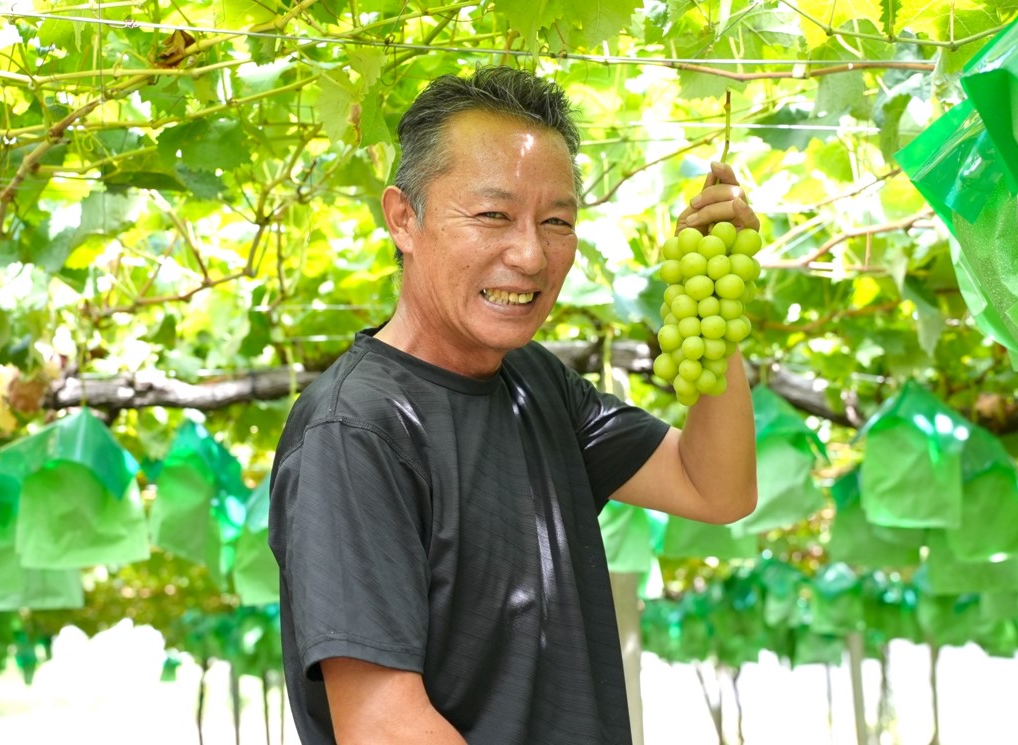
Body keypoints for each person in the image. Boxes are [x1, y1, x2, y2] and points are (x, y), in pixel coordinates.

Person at [268, 66, 759, 745]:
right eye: (492, 215)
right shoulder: (357, 429)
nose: (529, 253)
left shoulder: (536, 384)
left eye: (556, 221)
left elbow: (716, 487)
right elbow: (383, 725)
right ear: (402, 218)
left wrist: (716, 300)